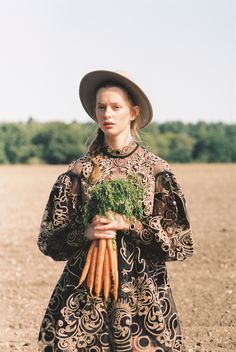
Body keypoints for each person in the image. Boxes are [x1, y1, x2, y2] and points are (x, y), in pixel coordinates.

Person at [37, 70, 194, 352]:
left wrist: (130, 225)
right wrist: (85, 232)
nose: (107, 113)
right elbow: (49, 241)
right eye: (101, 107)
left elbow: (179, 244)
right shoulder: (78, 171)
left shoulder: (156, 171)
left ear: (133, 113)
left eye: (116, 107)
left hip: (142, 301)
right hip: (86, 298)